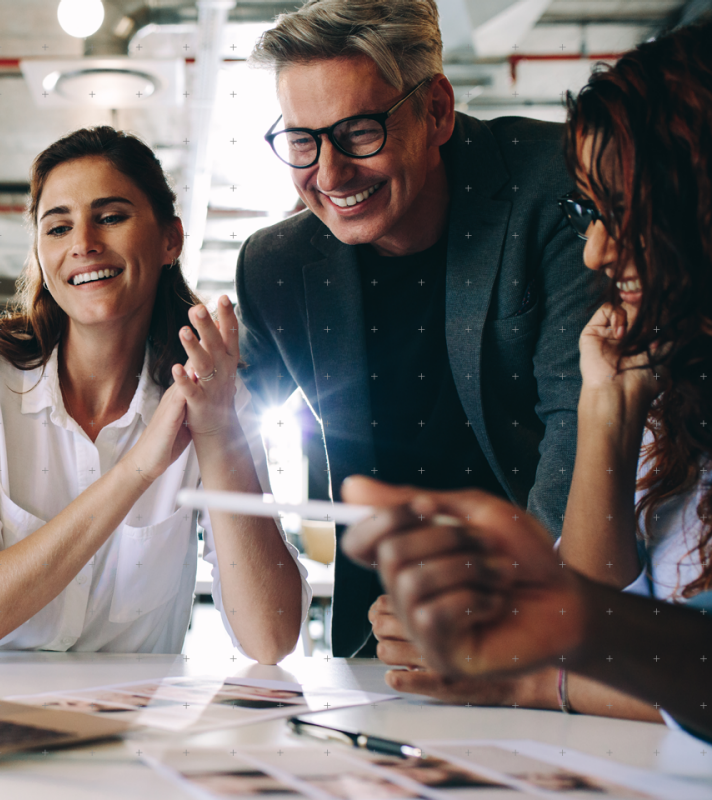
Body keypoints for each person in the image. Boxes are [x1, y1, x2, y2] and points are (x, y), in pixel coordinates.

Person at [347, 20, 712, 735]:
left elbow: (621, 643)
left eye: (626, 213)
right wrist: (607, 411)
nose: (597, 253)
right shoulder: (668, 380)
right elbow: (624, 624)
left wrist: (535, 667)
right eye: (592, 213)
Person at [236, 0, 601, 657]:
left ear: (436, 110)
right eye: (301, 140)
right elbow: (210, 411)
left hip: (548, 616)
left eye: (358, 132)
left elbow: (581, 426)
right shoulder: (276, 265)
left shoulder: (552, 183)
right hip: (379, 633)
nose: (328, 174)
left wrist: (506, 614)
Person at [0, 127, 311, 664]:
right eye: (58, 227)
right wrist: (136, 471)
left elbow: (271, 638)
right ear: (41, 255)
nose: (83, 244)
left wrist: (216, 431)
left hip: (129, 729)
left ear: (170, 240)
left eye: (112, 217)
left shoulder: (212, 397)